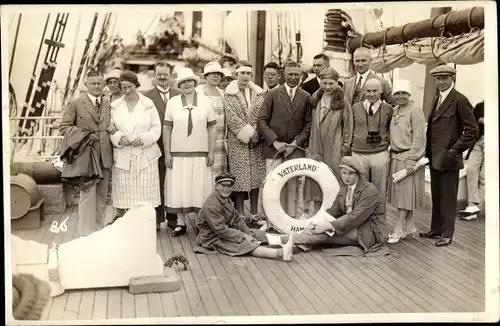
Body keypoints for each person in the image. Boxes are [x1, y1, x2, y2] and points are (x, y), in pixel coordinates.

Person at [420, 65, 479, 247]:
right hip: (434, 157)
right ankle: (436, 229)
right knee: (437, 195)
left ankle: (447, 234)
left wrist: (454, 150)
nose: (441, 81)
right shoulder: (436, 99)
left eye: (445, 78)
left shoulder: (460, 100)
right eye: (438, 78)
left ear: (452, 78)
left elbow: (472, 131)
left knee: (448, 197)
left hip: (449, 158)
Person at [293, 156, 388, 252]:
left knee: (326, 236)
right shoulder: (345, 188)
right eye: (344, 173)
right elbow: (333, 211)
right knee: (318, 230)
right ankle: (296, 244)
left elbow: (355, 217)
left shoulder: (369, 191)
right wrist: (317, 223)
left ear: (358, 174)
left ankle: (289, 240)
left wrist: (328, 226)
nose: (346, 177)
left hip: (367, 231)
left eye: (350, 174)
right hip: (349, 225)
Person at [163, 67, 217, 237]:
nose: (187, 84)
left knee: (200, 188)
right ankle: (181, 223)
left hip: (200, 152)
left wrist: (211, 152)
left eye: (189, 81)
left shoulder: (206, 101)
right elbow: (166, 128)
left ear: (194, 83)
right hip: (178, 152)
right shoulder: (172, 103)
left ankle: (202, 223)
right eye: (183, 82)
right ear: (179, 84)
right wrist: (167, 153)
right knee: (179, 187)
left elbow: (213, 127)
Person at [59, 70, 113, 237]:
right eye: (93, 83)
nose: (97, 86)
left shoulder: (108, 103)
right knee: (87, 196)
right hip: (85, 157)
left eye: (99, 83)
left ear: (103, 85)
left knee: (102, 197)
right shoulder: (76, 104)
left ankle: (97, 232)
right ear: (86, 85)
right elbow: (64, 127)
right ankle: (85, 235)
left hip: (104, 157)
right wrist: (84, 135)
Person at [195, 173, 295, 261]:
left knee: (258, 234)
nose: (226, 188)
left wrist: (247, 232)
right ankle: (281, 253)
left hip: (227, 231)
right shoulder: (212, 205)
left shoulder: (223, 197)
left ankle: (290, 240)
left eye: (229, 186)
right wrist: (243, 236)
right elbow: (221, 230)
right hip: (212, 238)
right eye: (223, 185)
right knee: (244, 246)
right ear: (216, 186)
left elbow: (237, 219)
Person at [258, 61, 313, 218]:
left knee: (293, 185)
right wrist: (275, 142)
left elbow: (308, 124)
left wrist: (295, 144)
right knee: (273, 184)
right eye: (290, 74)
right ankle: (272, 219)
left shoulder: (306, 97)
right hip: (274, 150)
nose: (293, 78)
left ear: (301, 76)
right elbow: (261, 121)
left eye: (297, 74)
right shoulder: (273, 95)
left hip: (295, 151)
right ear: (283, 75)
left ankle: (290, 219)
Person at [108, 70, 162, 219]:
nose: (127, 91)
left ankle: (144, 225)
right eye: (124, 87)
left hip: (145, 157)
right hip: (123, 156)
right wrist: (120, 137)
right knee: (123, 193)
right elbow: (111, 128)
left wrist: (143, 138)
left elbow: (156, 128)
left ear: (136, 85)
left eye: (130, 87)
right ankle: (123, 224)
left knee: (144, 194)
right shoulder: (115, 106)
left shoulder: (148, 105)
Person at [304, 67, 353, 215]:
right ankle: (317, 213)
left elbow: (348, 125)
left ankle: (334, 214)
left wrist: (345, 146)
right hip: (315, 145)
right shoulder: (315, 99)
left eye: (331, 83)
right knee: (316, 179)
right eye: (324, 83)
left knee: (335, 180)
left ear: (337, 82)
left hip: (334, 147)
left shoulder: (342, 101)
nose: (327, 87)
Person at [223, 61, 267, 220]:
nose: (245, 76)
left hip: (257, 141)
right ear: (236, 74)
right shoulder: (229, 94)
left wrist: (257, 134)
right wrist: (248, 133)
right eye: (242, 73)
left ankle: (254, 212)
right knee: (240, 177)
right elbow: (232, 118)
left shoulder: (258, 93)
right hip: (237, 140)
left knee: (256, 176)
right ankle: (240, 212)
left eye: (248, 73)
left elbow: (262, 114)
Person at [386, 79, 426, 244]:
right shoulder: (395, 110)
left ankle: (398, 229)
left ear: (409, 94)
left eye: (403, 93)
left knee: (404, 196)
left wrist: (412, 159)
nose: (400, 96)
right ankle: (410, 227)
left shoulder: (415, 110)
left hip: (409, 157)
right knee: (404, 195)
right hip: (395, 156)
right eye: (397, 93)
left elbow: (419, 137)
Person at [143, 60, 181, 231]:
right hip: (156, 148)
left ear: (171, 75)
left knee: (175, 183)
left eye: (166, 74)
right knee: (156, 184)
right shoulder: (146, 97)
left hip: (179, 147)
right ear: (154, 75)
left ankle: (173, 218)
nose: (163, 77)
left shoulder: (180, 94)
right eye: (159, 74)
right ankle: (157, 219)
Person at [349, 78, 393, 204]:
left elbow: (391, 129)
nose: (372, 94)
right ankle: (361, 221)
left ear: (381, 91)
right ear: (364, 91)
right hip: (358, 153)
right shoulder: (355, 107)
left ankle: (378, 222)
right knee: (359, 190)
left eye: (375, 91)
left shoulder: (388, 109)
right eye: (368, 91)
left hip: (380, 154)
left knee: (379, 191)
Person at [196, 61, 229, 178]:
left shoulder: (223, 94)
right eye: (212, 73)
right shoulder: (198, 93)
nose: (216, 76)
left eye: (218, 74)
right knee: (205, 176)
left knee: (220, 178)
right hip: (205, 143)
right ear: (206, 76)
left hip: (221, 144)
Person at [460, 101, 485, 220]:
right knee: (471, 171)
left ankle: (474, 209)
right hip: (478, 142)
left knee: (484, 177)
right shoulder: (480, 106)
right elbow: (472, 124)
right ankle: (472, 205)